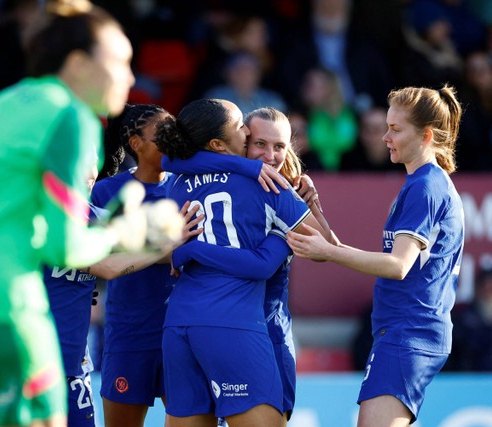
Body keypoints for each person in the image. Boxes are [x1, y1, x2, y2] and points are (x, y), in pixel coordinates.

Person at [0, 2, 182, 427]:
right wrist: (129, 233)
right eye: (120, 60)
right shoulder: (70, 115)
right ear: (79, 63)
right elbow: (64, 245)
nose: (130, 76)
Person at [287, 85, 465, 426]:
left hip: (409, 334)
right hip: (403, 333)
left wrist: (328, 252)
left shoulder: (425, 186)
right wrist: (316, 212)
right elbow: (347, 253)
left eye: (396, 129)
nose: (385, 136)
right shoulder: (423, 182)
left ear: (427, 135)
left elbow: (397, 266)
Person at [155, 98, 330, 427]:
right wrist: (285, 231)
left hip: (178, 324)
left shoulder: (175, 183)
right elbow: (323, 248)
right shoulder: (267, 183)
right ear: (218, 144)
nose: (247, 131)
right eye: (242, 129)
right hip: (234, 324)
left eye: (278, 145)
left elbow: (173, 164)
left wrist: (185, 252)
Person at [89, 103, 176, 427]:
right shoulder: (105, 193)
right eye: (162, 134)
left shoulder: (188, 186)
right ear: (136, 144)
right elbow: (94, 257)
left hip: (180, 333)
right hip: (129, 333)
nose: (173, 140)